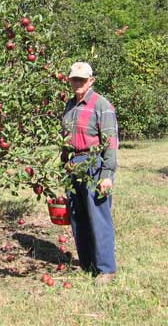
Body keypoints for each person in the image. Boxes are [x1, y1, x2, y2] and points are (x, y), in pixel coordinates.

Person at [62, 62, 119, 285]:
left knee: (99, 216)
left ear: (91, 81)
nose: (77, 83)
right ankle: (87, 263)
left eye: (82, 80)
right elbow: (64, 138)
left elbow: (111, 143)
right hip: (73, 163)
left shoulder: (102, 105)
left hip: (93, 162)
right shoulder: (69, 105)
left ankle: (106, 269)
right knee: (78, 215)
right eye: (74, 79)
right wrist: (63, 163)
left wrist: (107, 174)